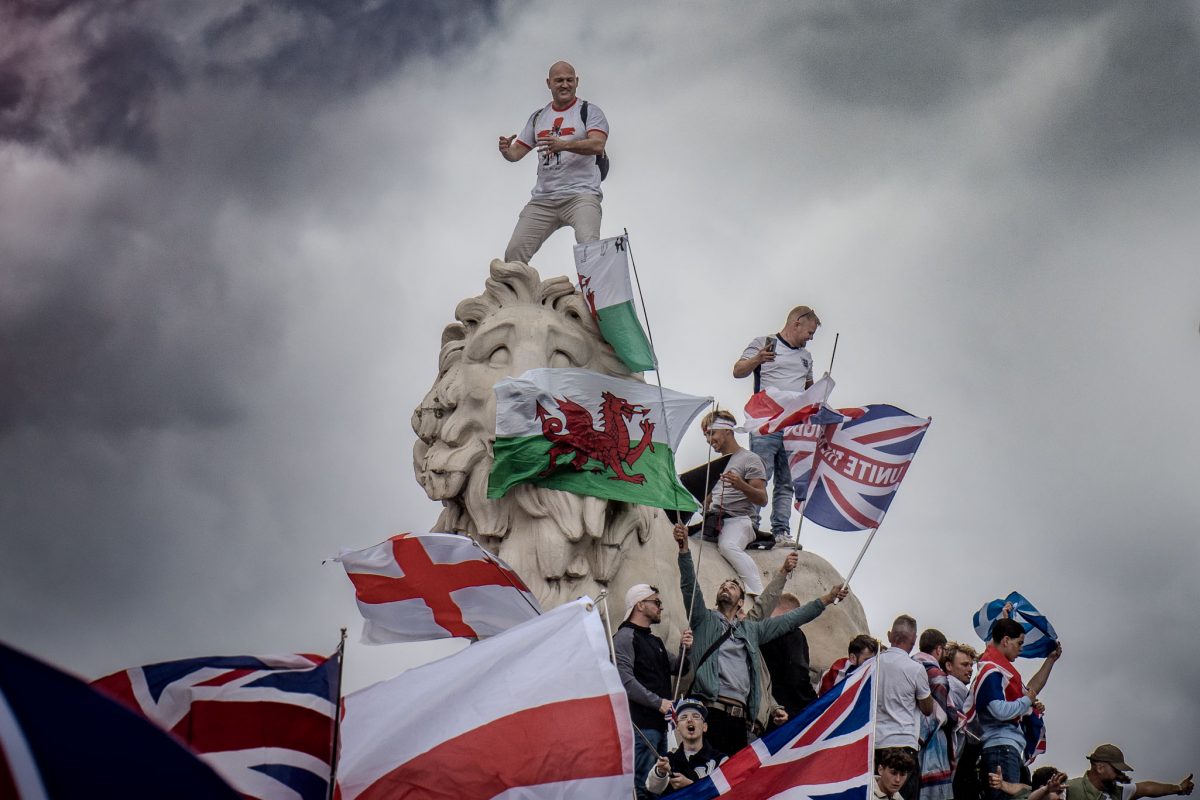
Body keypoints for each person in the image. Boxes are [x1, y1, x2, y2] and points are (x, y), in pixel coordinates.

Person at [673, 522, 846, 757]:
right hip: (709, 714)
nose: (726, 587)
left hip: (741, 721)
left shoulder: (751, 629)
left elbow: (791, 618)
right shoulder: (704, 621)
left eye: (732, 586)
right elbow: (688, 586)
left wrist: (826, 598)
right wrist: (684, 549)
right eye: (723, 585)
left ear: (741, 602)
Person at [497, 61, 609, 265]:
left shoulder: (589, 112)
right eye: (559, 81)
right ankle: (515, 295)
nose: (564, 85)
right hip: (544, 199)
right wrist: (506, 150)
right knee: (513, 254)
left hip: (581, 194)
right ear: (549, 83)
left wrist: (563, 145)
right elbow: (516, 153)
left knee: (589, 247)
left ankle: (594, 294)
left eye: (569, 80)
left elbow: (597, 145)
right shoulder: (539, 117)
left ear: (577, 82)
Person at [731, 306, 821, 543]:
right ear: (796, 324)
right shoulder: (765, 342)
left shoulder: (806, 357)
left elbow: (809, 390)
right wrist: (757, 359)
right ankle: (750, 524)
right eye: (809, 332)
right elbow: (737, 371)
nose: (810, 338)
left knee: (787, 480)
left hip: (795, 426)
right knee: (760, 474)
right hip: (767, 422)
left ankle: (781, 530)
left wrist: (820, 395)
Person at [968, 618, 1063, 800]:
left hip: (1005, 748)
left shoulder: (1001, 671)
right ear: (1005, 641)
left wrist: (1050, 660)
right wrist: (1026, 701)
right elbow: (1000, 710)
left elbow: (1031, 691)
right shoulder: (991, 670)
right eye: (1019, 643)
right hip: (1000, 749)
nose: (1021, 648)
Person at [614, 584, 693, 800]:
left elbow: (679, 667)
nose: (661, 607)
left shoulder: (654, 640)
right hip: (640, 726)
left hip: (660, 727)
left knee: (657, 787)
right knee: (642, 786)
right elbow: (625, 680)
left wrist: (685, 648)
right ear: (640, 605)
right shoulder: (624, 637)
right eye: (656, 602)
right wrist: (659, 703)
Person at [698, 409, 768, 596]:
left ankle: (759, 594)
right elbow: (708, 500)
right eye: (706, 436)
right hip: (715, 521)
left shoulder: (750, 459)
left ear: (727, 430)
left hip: (740, 520)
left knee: (728, 546)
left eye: (711, 433)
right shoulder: (717, 465)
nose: (708, 440)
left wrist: (741, 485)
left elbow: (762, 498)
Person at [876, 615, 936, 800]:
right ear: (914, 640)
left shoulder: (872, 664)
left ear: (889, 635)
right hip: (904, 743)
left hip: (876, 743)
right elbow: (927, 708)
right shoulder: (915, 669)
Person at [646, 698, 727, 796]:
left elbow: (726, 792)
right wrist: (661, 771)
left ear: (704, 727)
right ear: (678, 728)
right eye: (684, 717)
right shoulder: (668, 760)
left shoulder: (721, 760)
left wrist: (691, 786)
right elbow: (652, 788)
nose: (689, 720)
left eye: (696, 716)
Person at [760, 591, 818, 721]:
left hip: (761, 711)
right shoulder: (792, 633)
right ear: (793, 614)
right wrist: (813, 702)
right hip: (786, 713)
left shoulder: (758, 633)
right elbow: (797, 674)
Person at [1064, 744, 1193, 800]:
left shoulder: (1118, 793)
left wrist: (1179, 788)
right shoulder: (1068, 789)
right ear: (1100, 767)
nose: (1119, 774)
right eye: (1116, 769)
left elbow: (1146, 788)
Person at [914, 629, 954, 800]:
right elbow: (939, 715)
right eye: (944, 650)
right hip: (930, 744)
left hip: (909, 735)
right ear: (939, 649)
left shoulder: (910, 665)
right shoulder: (936, 675)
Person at [941, 641, 980, 800]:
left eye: (971, 665)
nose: (970, 669)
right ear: (949, 666)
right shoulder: (954, 686)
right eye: (964, 664)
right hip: (957, 755)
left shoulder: (953, 686)